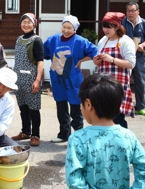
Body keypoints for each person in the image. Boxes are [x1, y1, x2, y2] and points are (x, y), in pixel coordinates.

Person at [65, 73, 145, 189]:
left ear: (88, 104)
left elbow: (73, 179)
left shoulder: (78, 139)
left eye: (81, 103)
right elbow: (143, 168)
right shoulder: (128, 136)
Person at [43, 15, 97, 143]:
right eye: (64, 27)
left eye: (69, 28)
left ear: (75, 29)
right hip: (57, 80)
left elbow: (95, 52)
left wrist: (83, 59)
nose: (66, 30)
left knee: (75, 109)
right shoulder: (53, 39)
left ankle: (78, 137)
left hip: (74, 81)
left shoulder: (80, 41)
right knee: (61, 108)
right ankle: (63, 134)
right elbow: (42, 52)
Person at [93, 12, 135, 128]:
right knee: (104, 117)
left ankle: (122, 143)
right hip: (103, 86)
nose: (105, 30)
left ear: (117, 26)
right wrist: (96, 61)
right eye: (104, 26)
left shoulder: (126, 41)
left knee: (118, 118)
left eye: (108, 27)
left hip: (118, 86)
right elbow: (99, 61)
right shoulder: (103, 41)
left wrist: (112, 60)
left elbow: (131, 64)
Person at [11, 13, 44, 146]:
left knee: (33, 109)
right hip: (19, 79)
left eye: (29, 22)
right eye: (23, 22)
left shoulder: (36, 40)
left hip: (31, 79)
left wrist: (37, 80)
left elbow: (40, 62)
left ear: (34, 24)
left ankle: (35, 135)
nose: (26, 24)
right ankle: (25, 131)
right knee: (23, 108)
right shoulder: (19, 39)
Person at [122, 2, 145, 116]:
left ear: (138, 11)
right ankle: (121, 105)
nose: (130, 13)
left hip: (139, 56)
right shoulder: (122, 22)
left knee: (140, 80)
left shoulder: (143, 23)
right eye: (128, 11)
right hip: (125, 56)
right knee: (123, 80)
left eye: (133, 11)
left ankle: (140, 106)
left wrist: (143, 45)